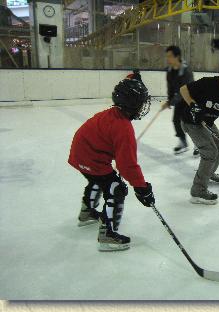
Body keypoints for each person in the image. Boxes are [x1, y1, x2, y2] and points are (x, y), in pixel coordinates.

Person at [68, 71, 155, 252]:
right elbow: (127, 165)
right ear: (131, 104)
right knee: (116, 189)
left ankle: (87, 213)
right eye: (140, 103)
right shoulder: (123, 128)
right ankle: (107, 235)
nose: (142, 107)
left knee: (98, 179)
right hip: (91, 158)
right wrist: (141, 188)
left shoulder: (114, 113)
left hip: (80, 154)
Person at [179, 57, 219, 204]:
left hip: (207, 122)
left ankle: (208, 173)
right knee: (210, 152)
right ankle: (198, 191)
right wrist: (193, 105)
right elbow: (183, 90)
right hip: (191, 122)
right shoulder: (208, 83)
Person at [162, 45, 199, 156]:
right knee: (176, 121)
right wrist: (169, 100)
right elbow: (170, 88)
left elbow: (185, 91)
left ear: (177, 57)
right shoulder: (169, 71)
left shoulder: (186, 70)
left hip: (191, 100)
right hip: (179, 100)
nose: (167, 59)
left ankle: (198, 144)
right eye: (167, 56)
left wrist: (170, 102)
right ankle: (183, 142)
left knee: (191, 124)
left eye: (170, 56)